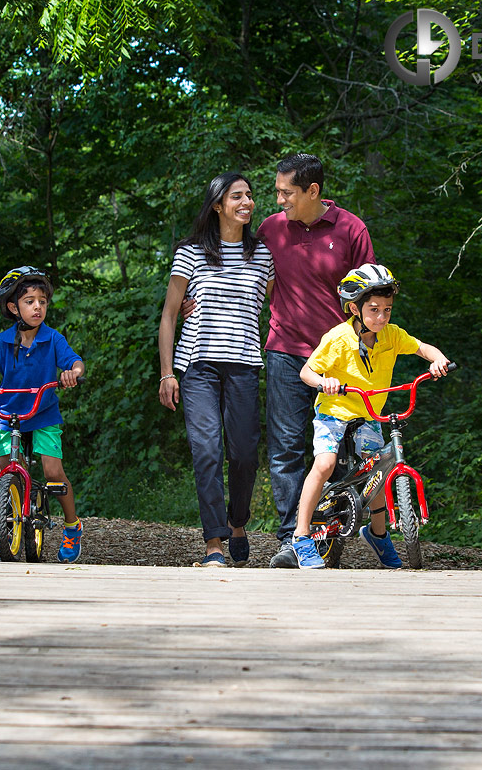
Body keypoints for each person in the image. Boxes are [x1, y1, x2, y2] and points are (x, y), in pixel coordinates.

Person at [289, 264, 451, 569]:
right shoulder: (338, 339)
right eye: (374, 309)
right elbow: (306, 371)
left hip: (369, 414)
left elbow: (422, 348)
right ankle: (301, 537)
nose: (381, 317)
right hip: (334, 412)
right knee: (324, 464)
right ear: (355, 308)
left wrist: (437, 358)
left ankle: (378, 535)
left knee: (377, 470)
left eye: (387, 309)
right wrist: (324, 381)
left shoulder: (391, 335)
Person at [257, 153, 376, 568]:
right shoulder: (270, 229)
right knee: (286, 448)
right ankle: (295, 538)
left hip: (339, 359)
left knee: (340, 449)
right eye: (276, 191)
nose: (279, 200)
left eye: (286, 192)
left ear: (313, 191)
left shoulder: (350, 229)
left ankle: (330, 534)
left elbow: (371, 299)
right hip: (285, 351)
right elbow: (244, 274)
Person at [158, 172, 274, 567]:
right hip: (197, 367)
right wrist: (167, 373)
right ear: (217, 205)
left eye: (250, 196)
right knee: (206, 451)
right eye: (237, 196)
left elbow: (279, 310)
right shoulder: (190, 253)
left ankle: (237, 522)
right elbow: (169, 316)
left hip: (244, 364)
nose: (247, 202)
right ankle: (214, 544)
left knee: (244, 455)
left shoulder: (262, 254)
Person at [0, 266, 86, 563]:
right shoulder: (2, 342)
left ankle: (72, 527)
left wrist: (73, 373)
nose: (37, 307)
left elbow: (75, 361)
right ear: (12, 307)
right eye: (29, 301)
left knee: (53, 472)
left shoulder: (52, 339)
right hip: (8, 414)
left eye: (42, 301)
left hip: (42, 413)